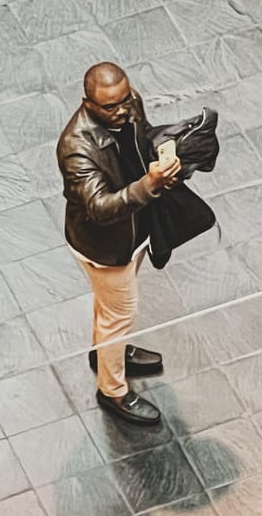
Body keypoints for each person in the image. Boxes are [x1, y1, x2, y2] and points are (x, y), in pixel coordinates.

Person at [57, 61, 178, 429]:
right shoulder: (76, 148)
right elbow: (100, 208)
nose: (122, 110)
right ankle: (112, 389)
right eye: (110, 106)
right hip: (105, 246)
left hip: (133, 228)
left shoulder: (129, 103)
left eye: (125, 100)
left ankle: (105, 354)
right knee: (118, 314)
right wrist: (150, 185)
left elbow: (141, 139)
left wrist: (167, 150)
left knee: (109, 308)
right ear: (88, 103)